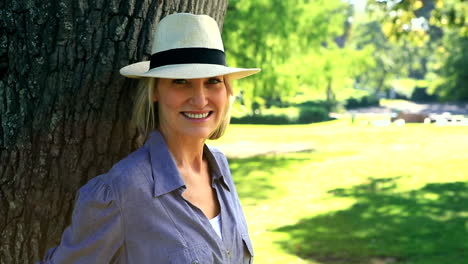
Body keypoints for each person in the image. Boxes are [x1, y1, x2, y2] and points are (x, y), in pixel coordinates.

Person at [38, 13, 260, 264]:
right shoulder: (121, 191)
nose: (200, 99)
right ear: (155, 90)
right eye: (181, 82)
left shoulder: (220, 169)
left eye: (213, 82)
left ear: (227, 90)